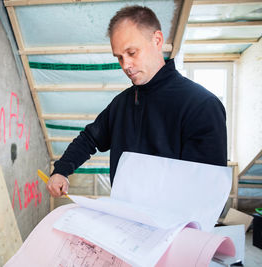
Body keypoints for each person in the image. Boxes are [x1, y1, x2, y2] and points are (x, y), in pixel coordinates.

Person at [46, 6, 227, 198]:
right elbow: (89, 138)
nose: (126, 65)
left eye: (132, 53)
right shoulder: (121, 104)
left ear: (157, 40)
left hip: (175, 225)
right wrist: (61, 170)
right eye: (119, 57)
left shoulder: (201, 105)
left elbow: (207, 190)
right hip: (125, 218)